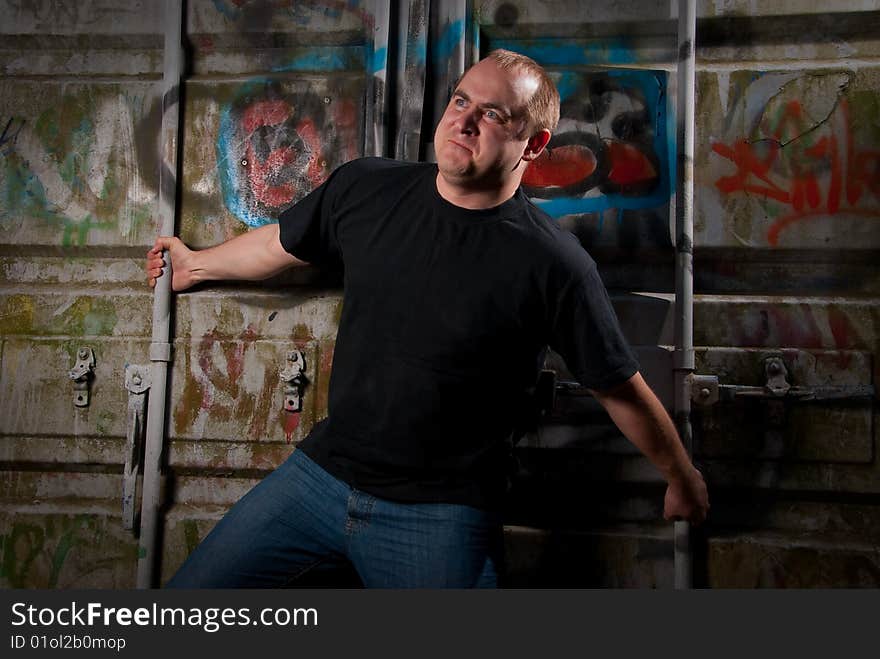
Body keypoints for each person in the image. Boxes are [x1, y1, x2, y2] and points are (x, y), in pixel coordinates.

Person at [147, 49, 709, 588]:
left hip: (441, 514)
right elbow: (283, 243)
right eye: (461, 102)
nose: (465, 122)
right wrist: (197, 266)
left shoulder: (554, 265)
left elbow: (619, 387)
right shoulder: (368, 188)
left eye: (492, 115)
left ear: (533, 145)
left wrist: (680, 475)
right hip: (320, 477)